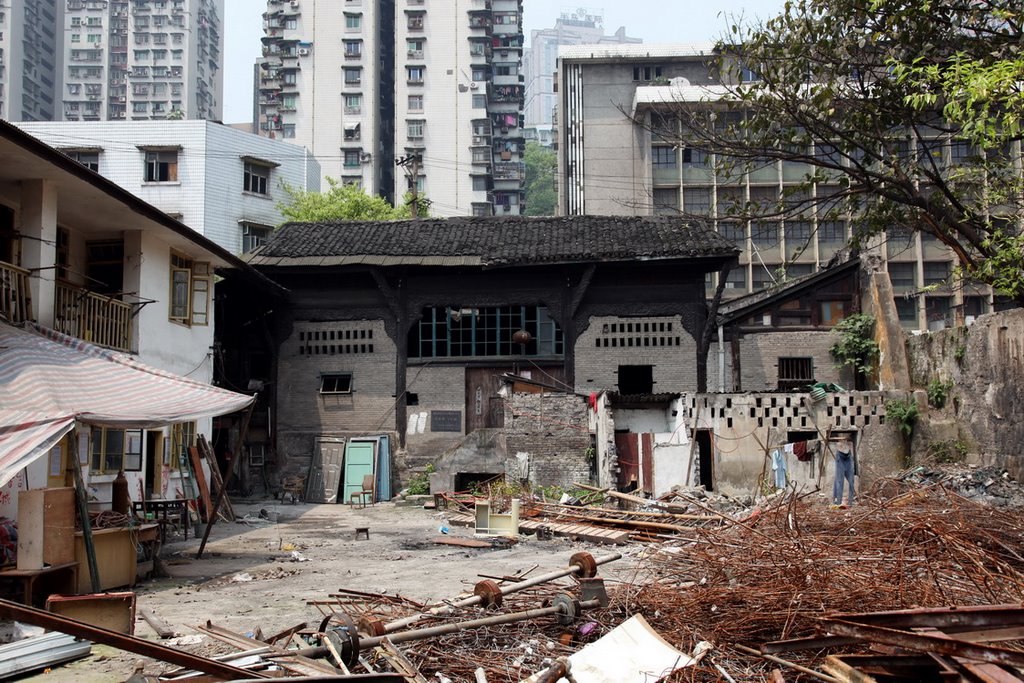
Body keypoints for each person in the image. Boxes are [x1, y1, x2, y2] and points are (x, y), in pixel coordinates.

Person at [832, 437, 855, 506]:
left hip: (848, 456)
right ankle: (838, 501)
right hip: (840, 457)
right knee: (839, 481)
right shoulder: (839, 446)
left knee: (851, 481)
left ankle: (850, 502)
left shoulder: (849, 445)